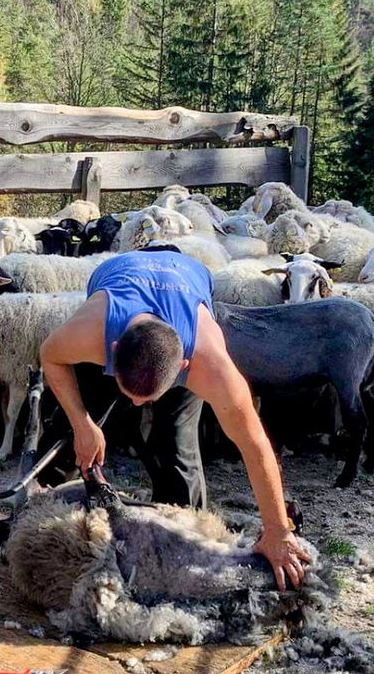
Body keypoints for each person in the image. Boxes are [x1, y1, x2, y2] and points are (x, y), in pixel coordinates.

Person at [38, 244, 312, 589]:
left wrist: (278, 532)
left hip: (186, 282)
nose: (138, 407)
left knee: (177, 443)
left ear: (184, 369)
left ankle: (184, 534)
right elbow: (50, 356)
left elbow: (256, 445)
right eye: (130, 396)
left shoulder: (211, 365)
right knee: (73, 426)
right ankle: (41, 519)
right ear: (112, 351)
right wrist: (82, 423)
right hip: (125, 275)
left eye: (147, 399)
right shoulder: (90, 331)